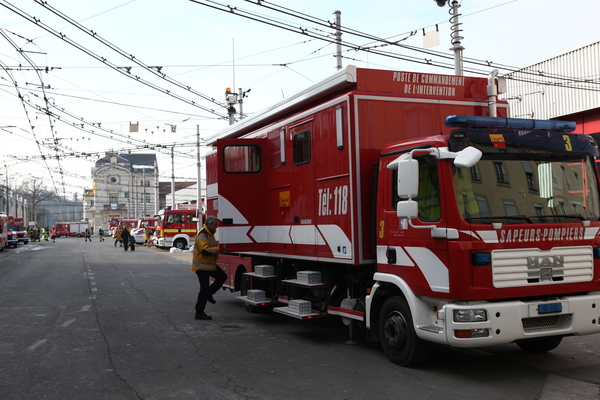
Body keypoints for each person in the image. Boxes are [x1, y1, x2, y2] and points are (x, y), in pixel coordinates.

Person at [191, 216, 226, 320]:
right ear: (209, 224)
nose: (216, 227)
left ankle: (210, 293)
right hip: (202, 266)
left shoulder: (209, 233)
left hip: (209, 265)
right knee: (204, 289)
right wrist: (219, 249)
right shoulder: (203, 234)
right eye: (215, 225)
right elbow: (205, 251)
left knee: (222, 277)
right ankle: (199, 312)